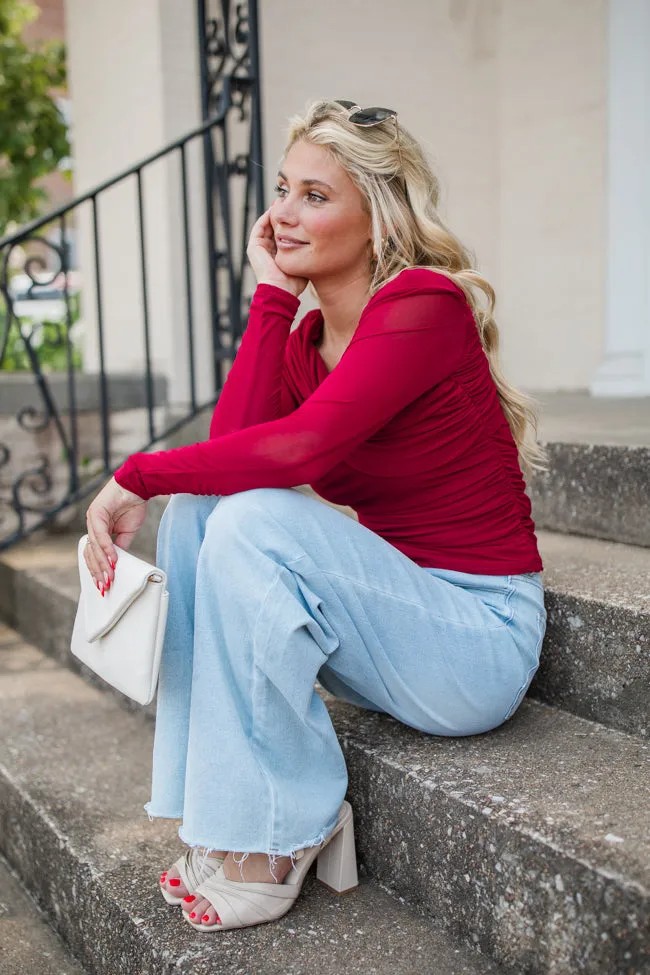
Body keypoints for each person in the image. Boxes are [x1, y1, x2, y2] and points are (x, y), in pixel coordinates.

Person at [83, 98, 547, 933]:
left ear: (379, 219)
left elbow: (296, 452)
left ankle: (283, 825)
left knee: (253, 519)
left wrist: (136, 474)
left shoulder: (424, 304)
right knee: (199, 515)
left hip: (475, 640)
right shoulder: (306, 344)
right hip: (392, 625)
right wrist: (271, 300)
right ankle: (225, 816)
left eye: (315, 195)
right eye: (281, 189)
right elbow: (231, 461)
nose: (282, 214)